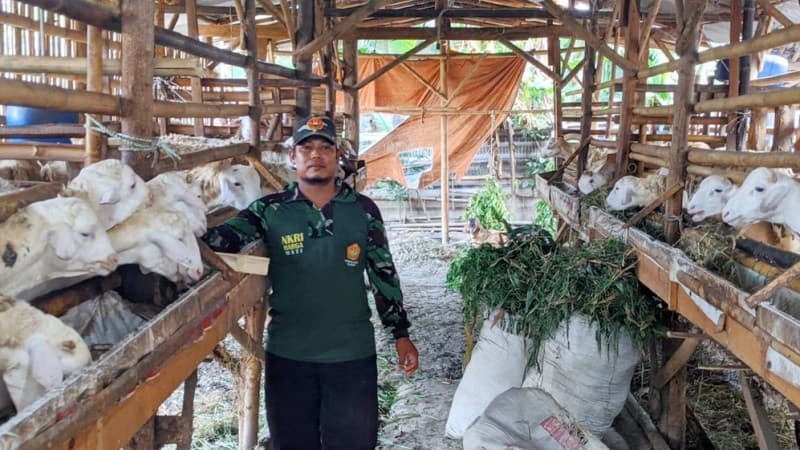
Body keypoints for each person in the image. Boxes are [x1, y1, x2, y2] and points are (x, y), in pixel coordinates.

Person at [202, 115, 419, 450]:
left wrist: (400, 333)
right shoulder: (269, 211)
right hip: (289, 355)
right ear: (293, 157)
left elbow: (383, 272)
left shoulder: (363, 210)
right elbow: (219, 239)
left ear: (337, 156)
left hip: (351, 355)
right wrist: (176, 224)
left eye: (325, 147)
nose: (316, 154)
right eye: (307, 147)